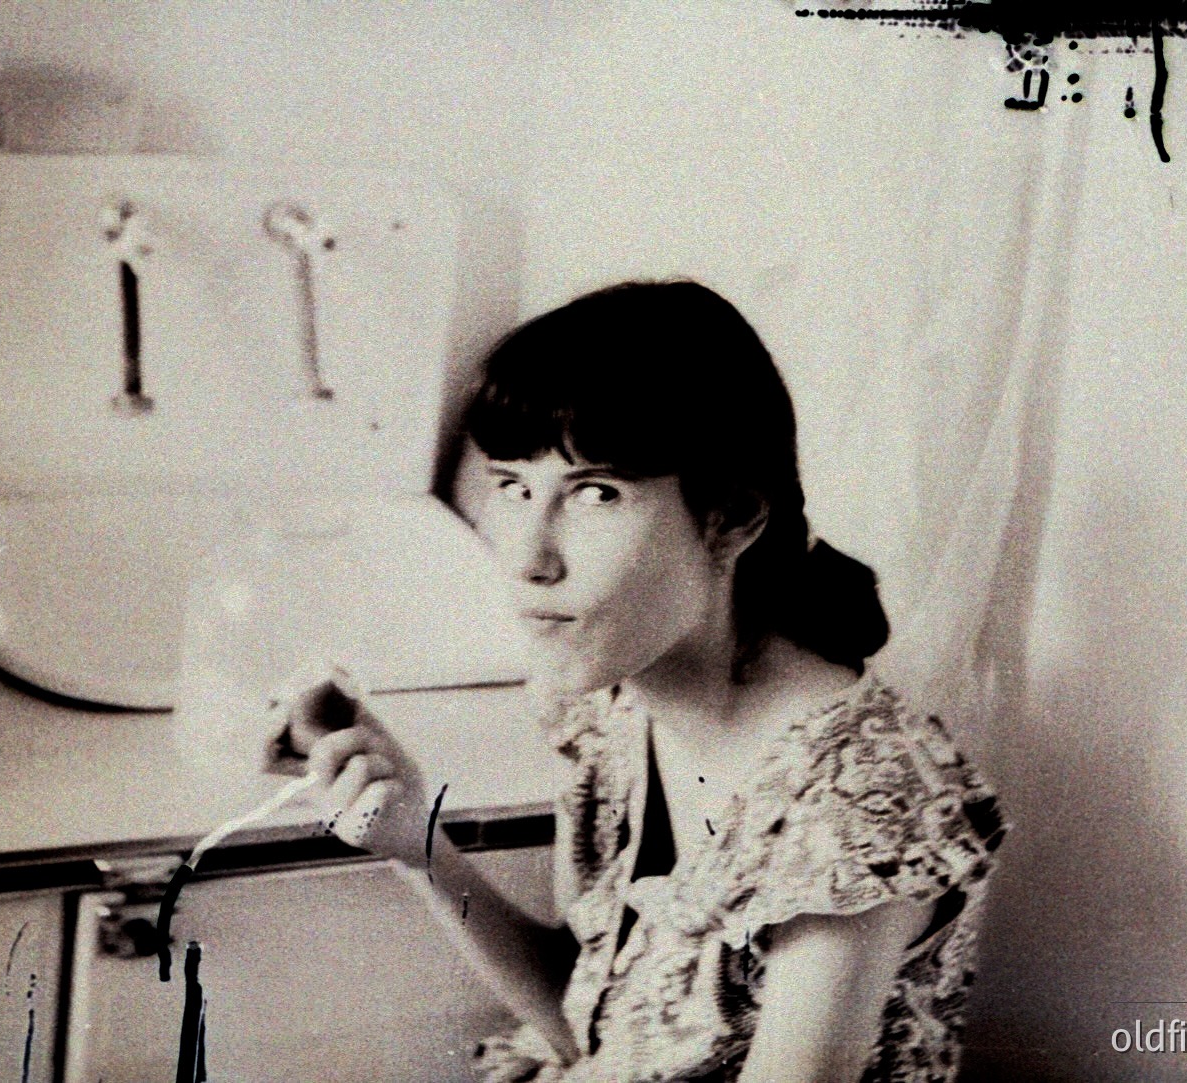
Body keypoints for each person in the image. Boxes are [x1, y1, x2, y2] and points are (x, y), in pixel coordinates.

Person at [280, 281, 1006, 1082]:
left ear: (731, 517)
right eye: (515, 487)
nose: (527, 558)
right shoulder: (614, 708)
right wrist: (418, 843)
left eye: (595, 492)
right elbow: (589, 1024)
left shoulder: (857, 799)